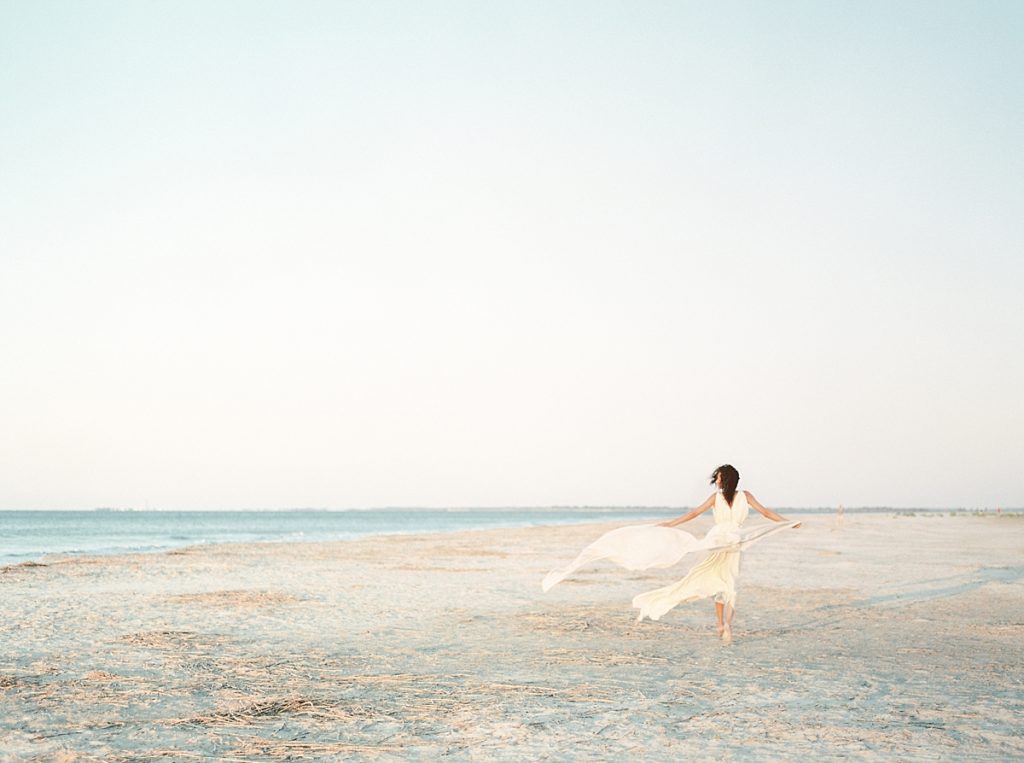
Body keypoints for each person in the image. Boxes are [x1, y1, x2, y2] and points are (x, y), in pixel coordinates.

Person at [542, 464, 800, 644]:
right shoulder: (746, 496)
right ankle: (727, 626)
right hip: (733, 542)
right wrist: (788, 522)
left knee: (706, 577)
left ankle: (721, 624)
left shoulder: (715, 498)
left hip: (717, 540)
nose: (716, 480)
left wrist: (670, 525)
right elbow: (766, 513)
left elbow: (692, 515)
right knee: (729, 582)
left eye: (719, 477)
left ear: (725, 479)